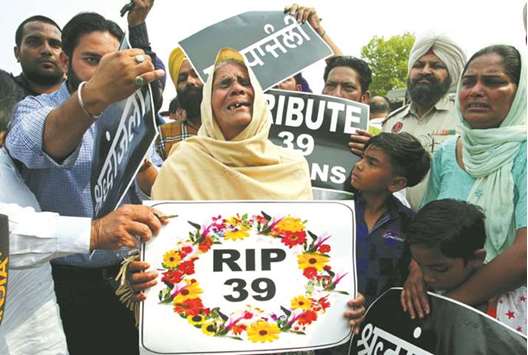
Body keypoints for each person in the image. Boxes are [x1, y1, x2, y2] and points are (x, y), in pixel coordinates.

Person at [5, 10, 164, 355]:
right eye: (92, 61)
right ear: (66, 61)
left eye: (112, 62)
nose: (107, 73)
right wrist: (94, 97)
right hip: (66, 286)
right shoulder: (36, 108)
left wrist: (140, 158)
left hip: (133, 280)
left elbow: (160, 190)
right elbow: (34, 146)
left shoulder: (135, 114)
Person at [401, 45, 526, 324]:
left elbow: (524, 255)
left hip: (507, 316)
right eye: (468, 82)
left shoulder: (524, 152)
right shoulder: (447, 152)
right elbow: (427, 229)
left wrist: (450, 305)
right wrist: (416, 272)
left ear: (521, 92)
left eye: (493, 82)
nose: (476, 91)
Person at [349, 34, 467, 209]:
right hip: (396, 227)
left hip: (444, 227)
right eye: (418, 65)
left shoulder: (465, 118)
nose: (425, 71)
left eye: (436, 66)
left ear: (452, 74)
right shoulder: (392, 122)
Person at [406, 199, 526, 334]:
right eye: (419, 265)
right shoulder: (417, 298)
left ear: (476, 258)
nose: (427, 277)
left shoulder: (518, 309)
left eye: (439, 269)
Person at [351, 132, 430, 306]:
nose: (358, 165)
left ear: (396, 184)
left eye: (371, 163)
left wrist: (417, 268)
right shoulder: (337, 207)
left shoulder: (410, 224)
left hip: (377, 322)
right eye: (363, 158)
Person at [155, 47, 203, 160]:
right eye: (182, 78)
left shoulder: (229, 128)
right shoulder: (164, 136)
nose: (190, 81)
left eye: (196, 75)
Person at [11, 15, 65, 97]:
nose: (47, 50)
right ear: (17, 53)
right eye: (34, 42)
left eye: (55, 44)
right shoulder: (4, 92)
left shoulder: (84, 94)